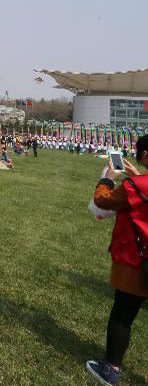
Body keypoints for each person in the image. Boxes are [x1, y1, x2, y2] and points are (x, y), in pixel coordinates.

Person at [86, 135, 148, 386]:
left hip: (135, 261)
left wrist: (107, 179)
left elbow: (102, 200)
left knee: (122, 316)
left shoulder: (137, 187)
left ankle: (110, 369)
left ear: (144, 156)